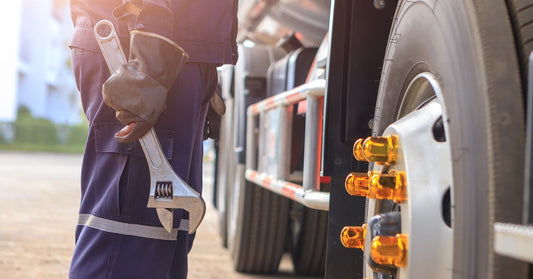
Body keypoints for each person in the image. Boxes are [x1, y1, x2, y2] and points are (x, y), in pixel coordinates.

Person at [67, 0, 237, 278]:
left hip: (171, 48)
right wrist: (150, 62)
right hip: (142, 47)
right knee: (126, 242)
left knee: (162, 241)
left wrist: (205, 69)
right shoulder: (151, 47)